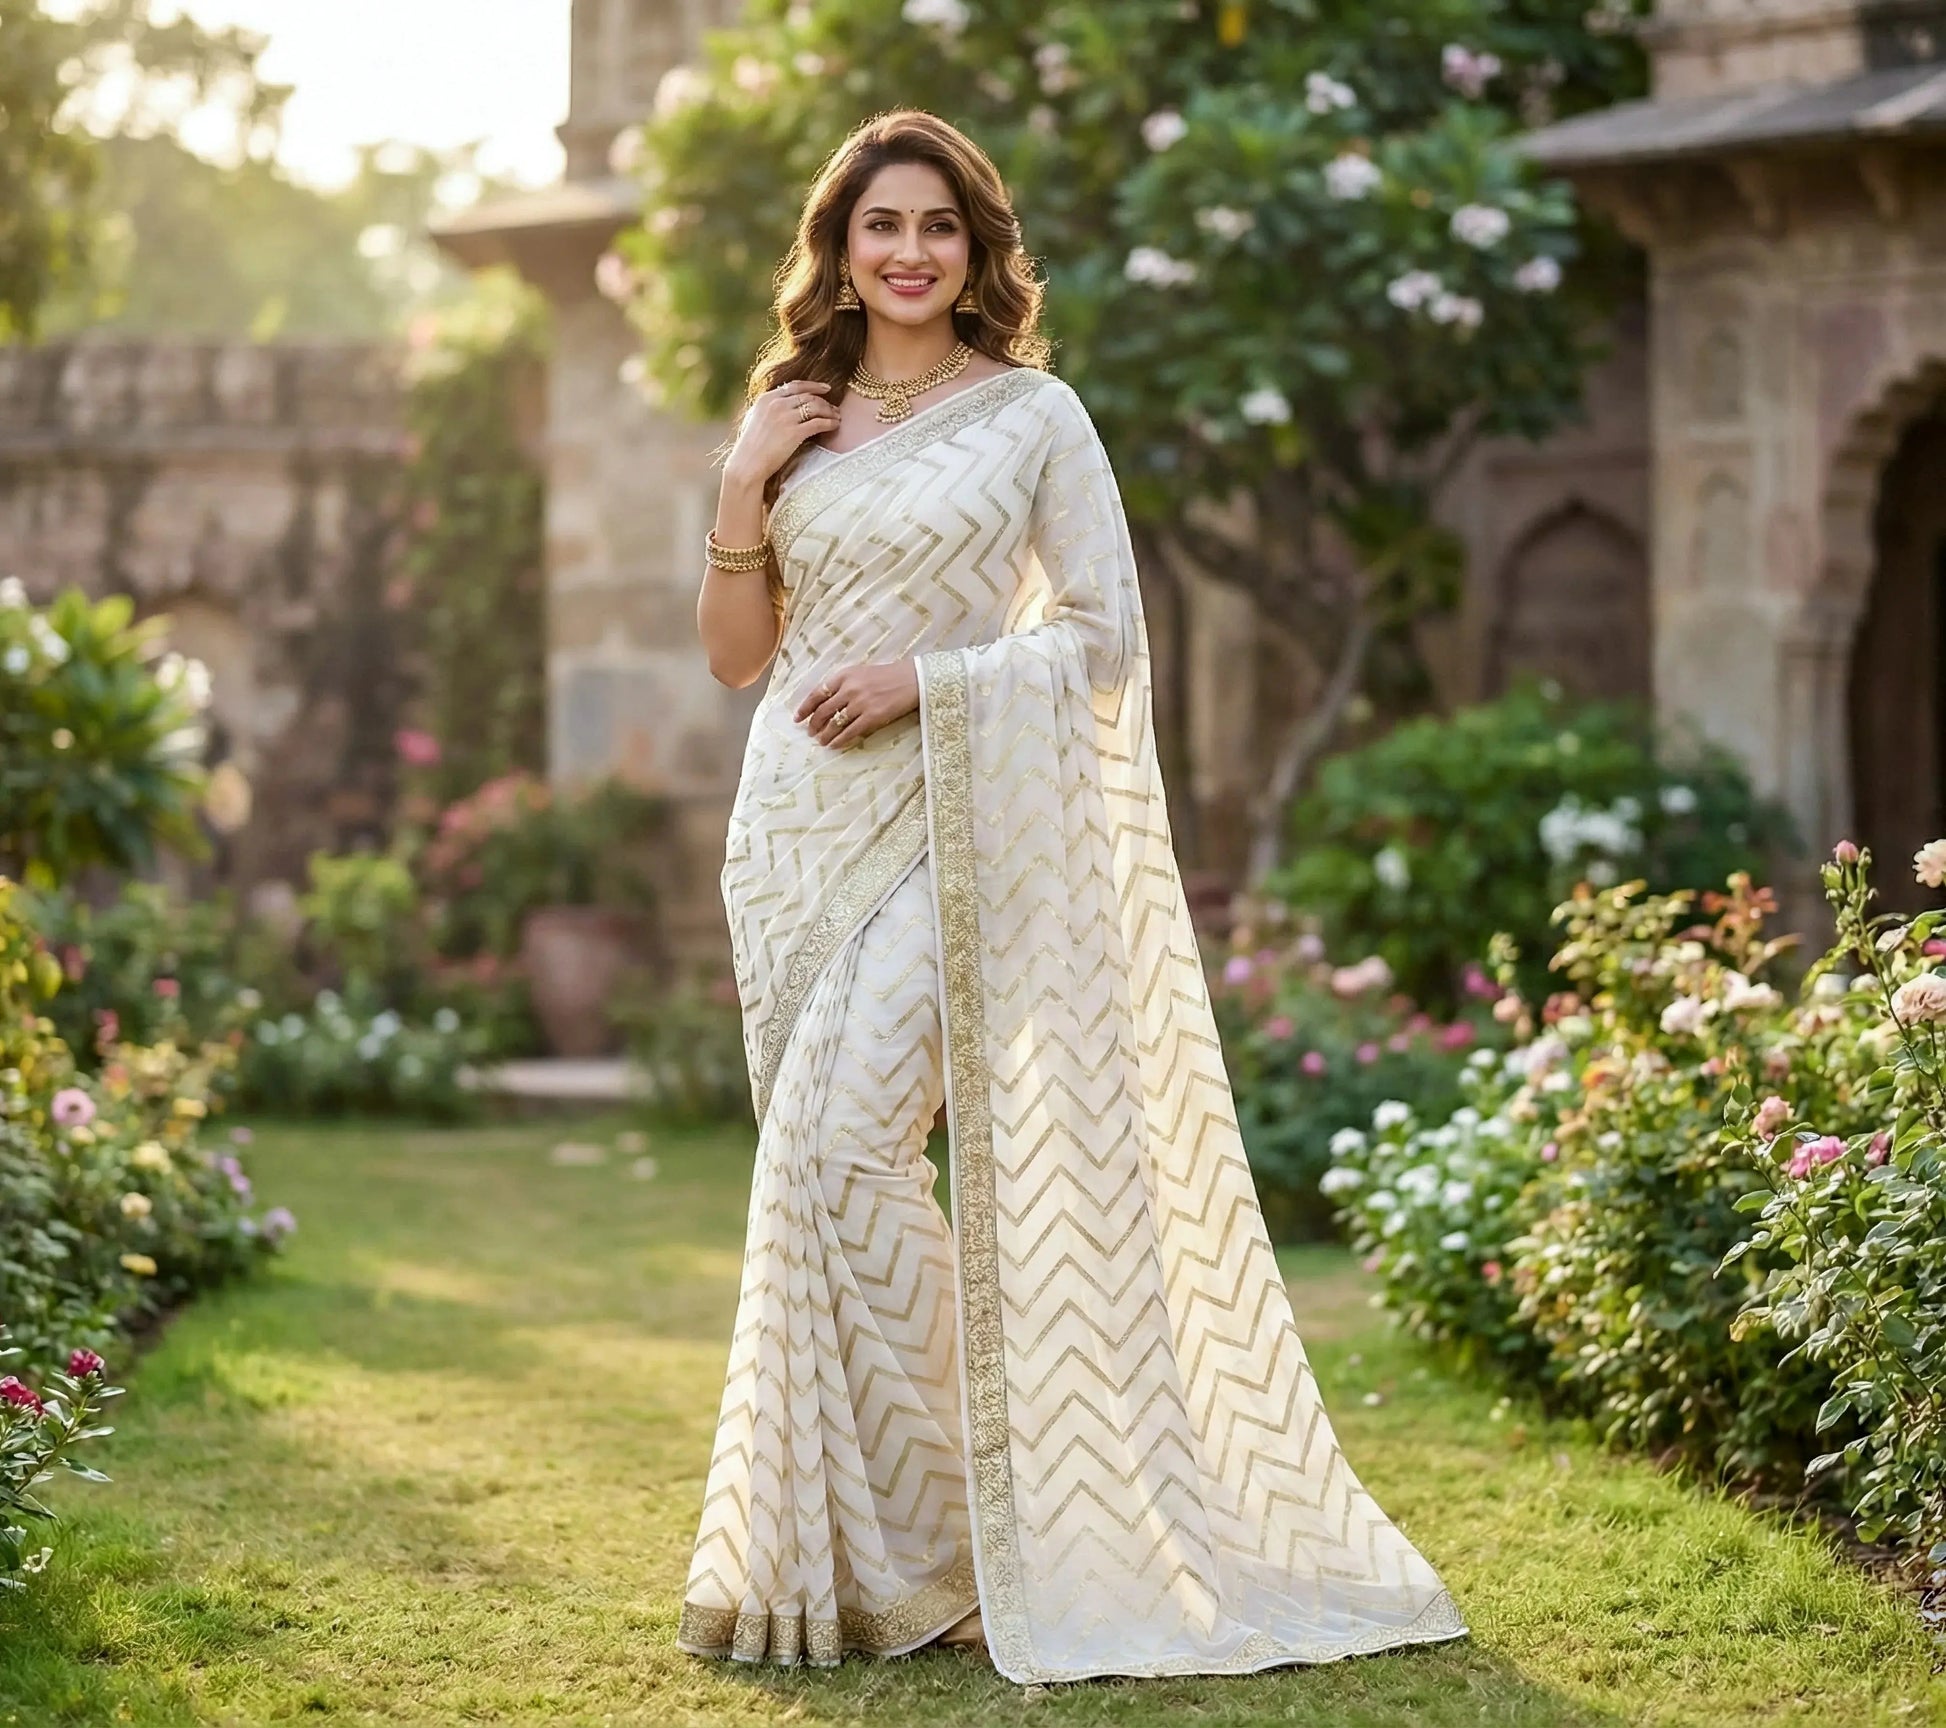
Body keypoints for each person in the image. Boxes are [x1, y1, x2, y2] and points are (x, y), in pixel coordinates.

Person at [678, 107, 1465, 1687]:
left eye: (937, 227)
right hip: (795, 840)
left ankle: (996, 1538)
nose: (906, 253)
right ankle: (879, 1566)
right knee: (815, 1178)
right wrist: (746, 480)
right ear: (836, 248)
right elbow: (732, 657)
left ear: (977, 250)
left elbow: (1101, 636)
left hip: (954, 818)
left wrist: (928, 680)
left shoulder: (1033, 417)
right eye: (877, 226)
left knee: (847, 1147)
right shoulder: (795, 415)